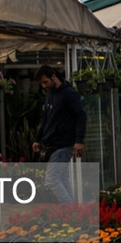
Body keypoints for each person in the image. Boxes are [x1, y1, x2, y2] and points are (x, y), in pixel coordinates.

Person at [32, 65, 87, 203]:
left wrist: (79, 141)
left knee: (51, 180)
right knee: (61, 179)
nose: (43, 86)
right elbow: (46, 119)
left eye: (45, 82)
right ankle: (74, 211)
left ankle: (70, 211)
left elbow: (81, 115)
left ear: (53, 77)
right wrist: (37, 139)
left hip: (63, 144)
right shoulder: (50, 95)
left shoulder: (69, 94)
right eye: (41, 83)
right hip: (53, 144)